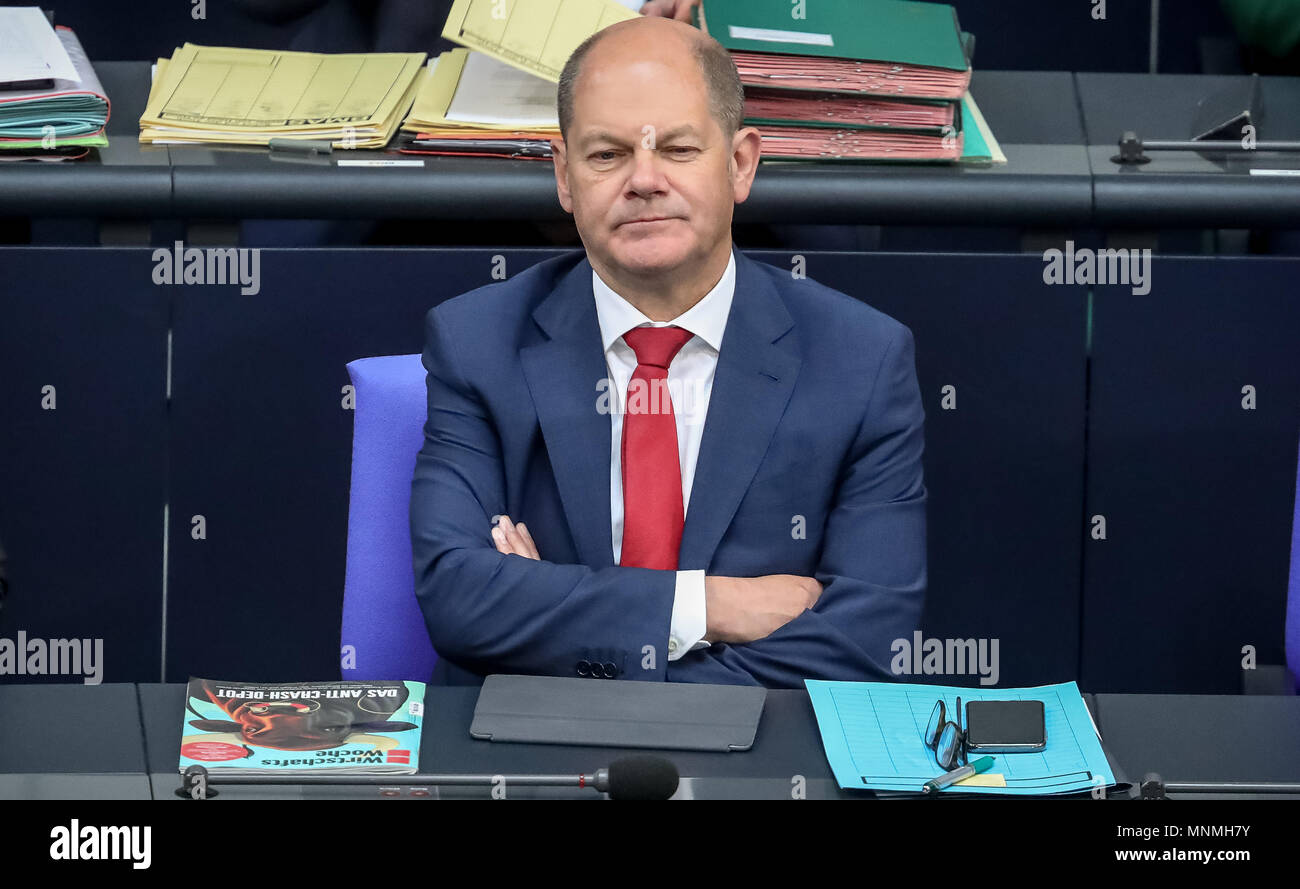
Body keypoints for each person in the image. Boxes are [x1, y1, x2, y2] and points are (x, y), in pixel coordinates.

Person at [410, 16, 926, 688]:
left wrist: (561, 625)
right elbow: (460, 601)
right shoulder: (476, 342)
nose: (644, 180)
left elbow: (869, 644)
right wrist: (709, 605)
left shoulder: (862, 359)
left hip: (753, 766)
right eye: (607, 155)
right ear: (564, 177)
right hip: (529, 759)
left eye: (678, 150)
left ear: (741, 163)